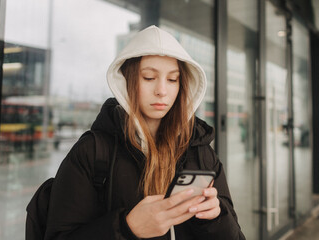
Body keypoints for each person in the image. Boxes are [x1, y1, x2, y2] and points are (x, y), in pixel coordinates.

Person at [44, 25, 245, 239]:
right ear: (127, 81)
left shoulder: (200, 150)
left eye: (172, 79)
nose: (162, 90)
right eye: (149, 77)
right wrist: (126, 227)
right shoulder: (92, 153)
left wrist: (216, 216)